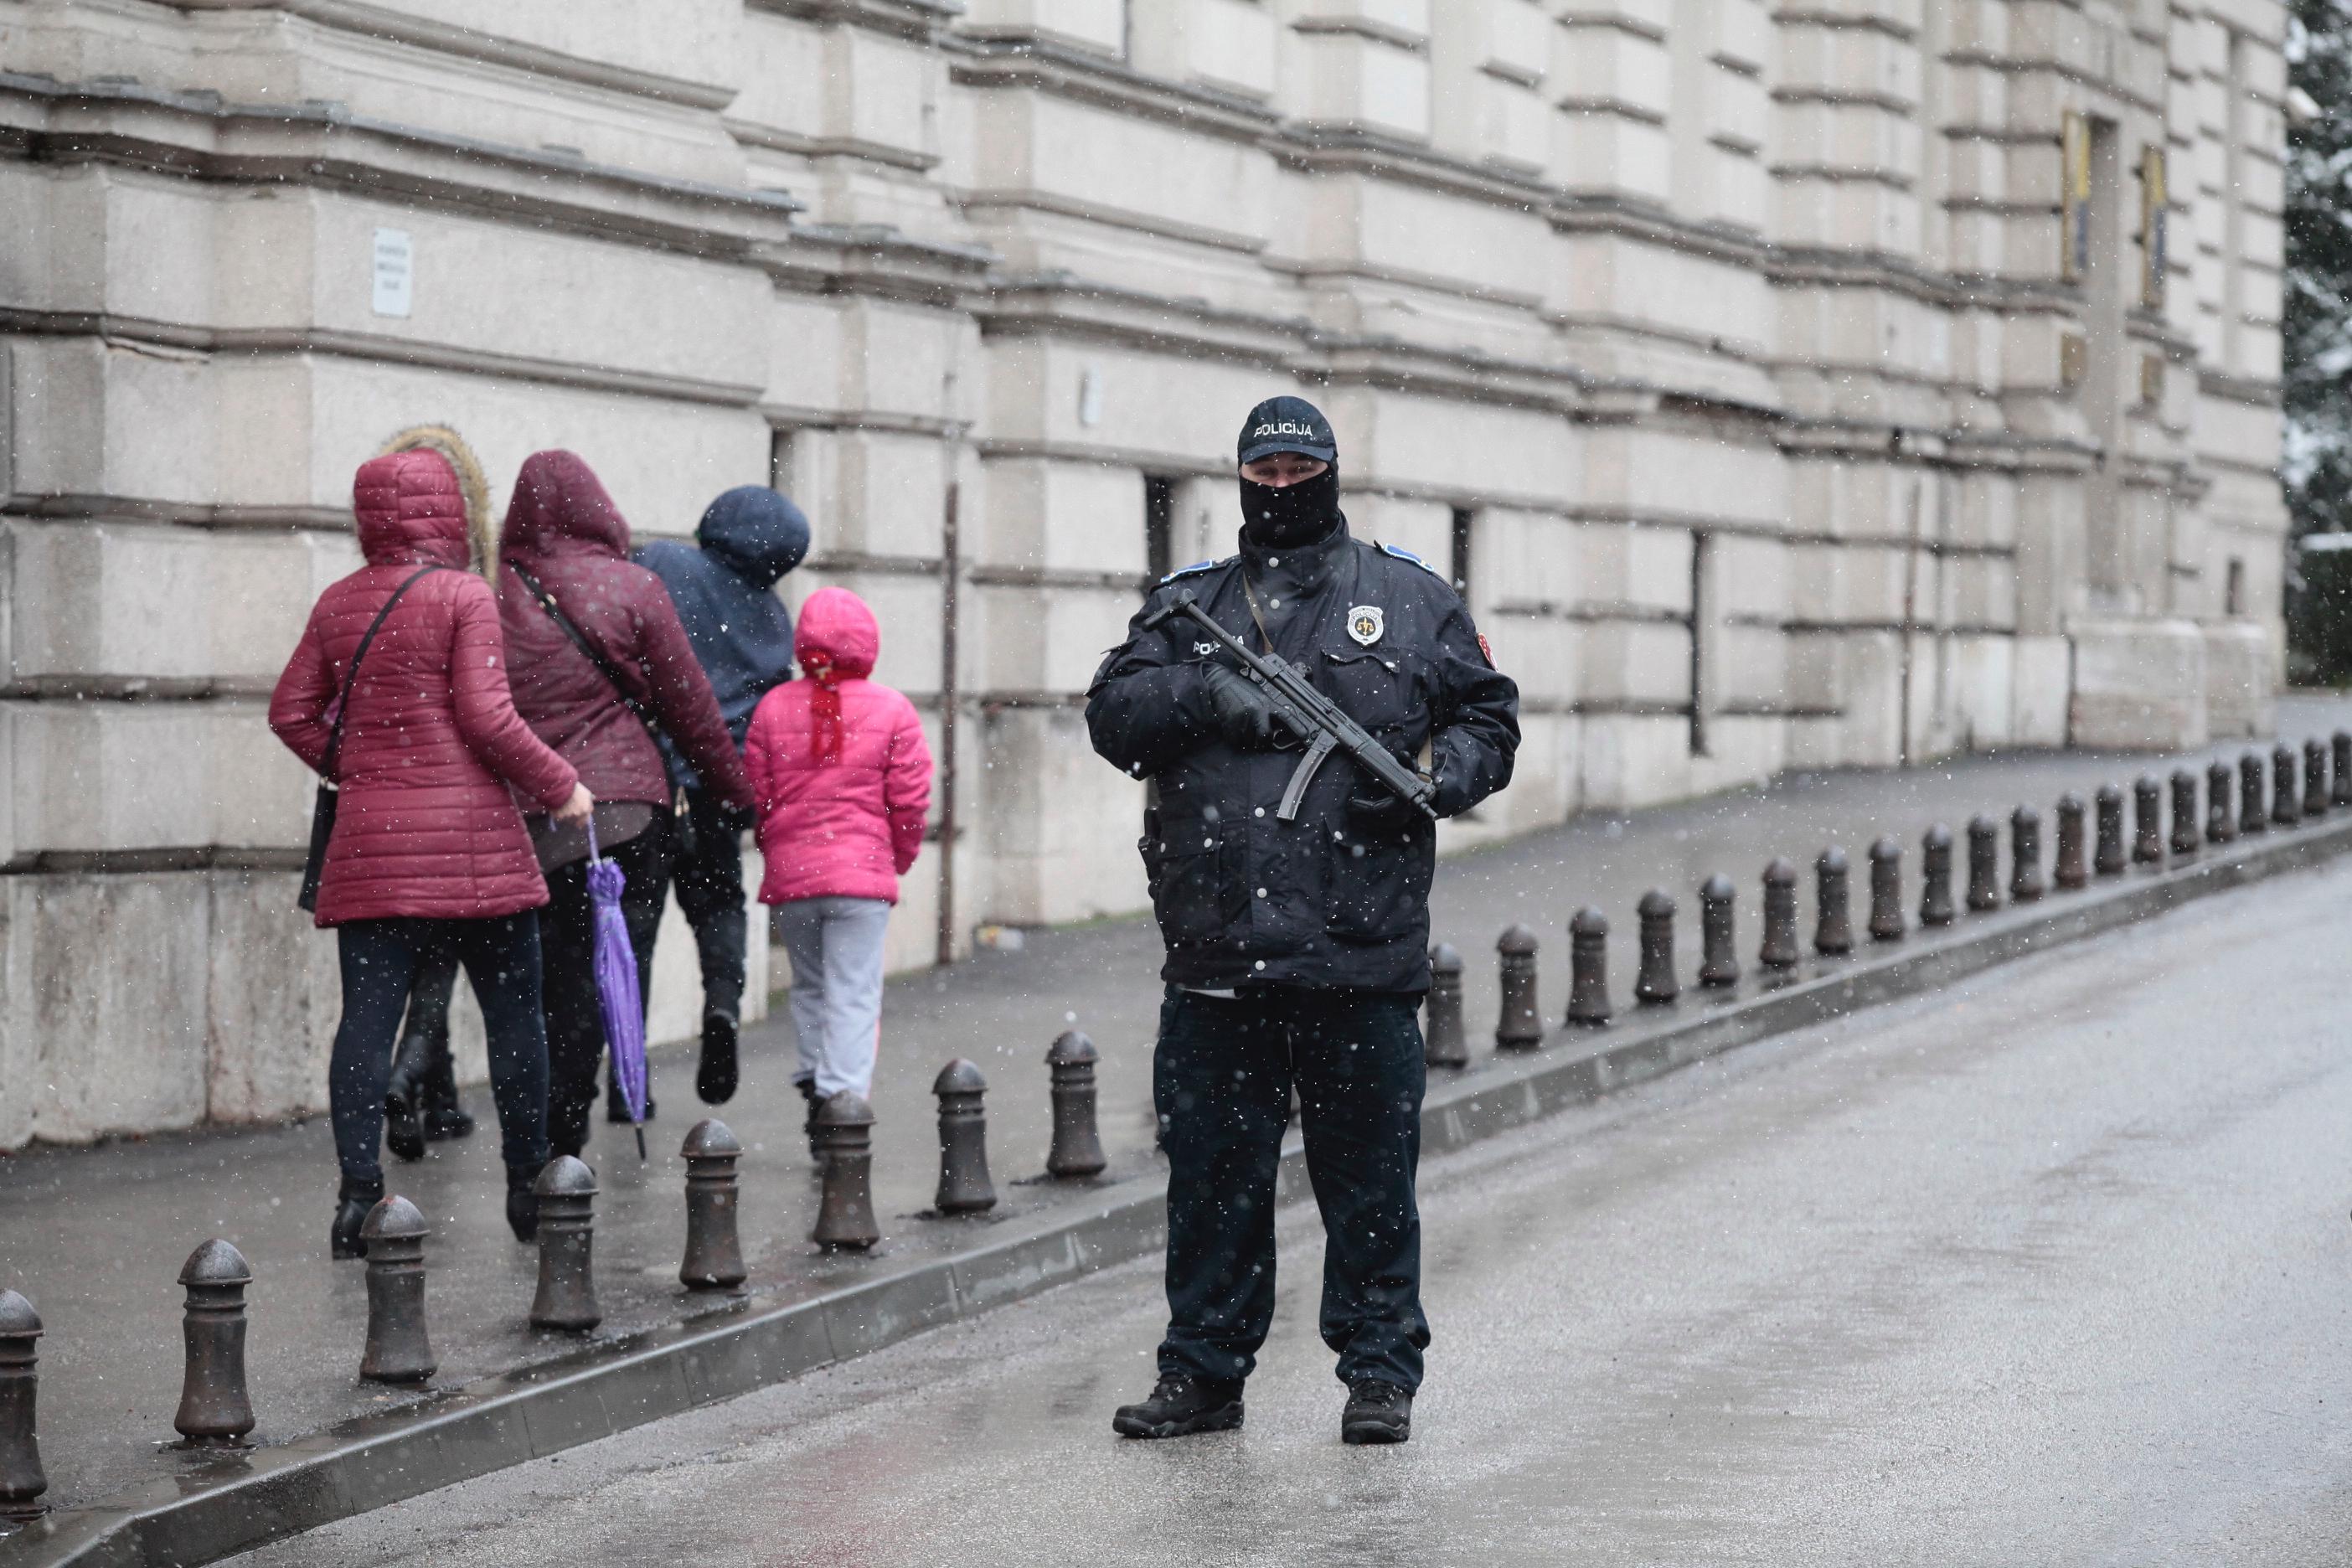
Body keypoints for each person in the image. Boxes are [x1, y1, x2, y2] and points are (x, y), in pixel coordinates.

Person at [1085, 395, 1519, 1445]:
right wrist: (1204, 698)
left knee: (1369, 1188)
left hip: (1357, 949)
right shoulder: (1192, 605)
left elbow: (1488, 720)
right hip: (1219, 952)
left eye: (1297, 470)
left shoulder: (1409, 599)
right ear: (1241, 478)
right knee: (1212, 1186)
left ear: (1330, 473)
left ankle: (1378, 1372)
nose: (1280, 489)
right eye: (1263, 472)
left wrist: (1430, 780)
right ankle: (1203, 1372)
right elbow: (1112, 714)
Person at [269, 428, 594, 1259]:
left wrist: (365, 767)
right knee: (515, 1015)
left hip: (373, 843)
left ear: (367, 516)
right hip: (474, 846)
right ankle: (527, 1185)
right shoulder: (463, 596)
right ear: (449, 510)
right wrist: (560, 785)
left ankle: (356, 1200)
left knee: (365, 1026)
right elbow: (488, 720)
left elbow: (290, 713)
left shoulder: (338, 602)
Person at [497, 451, 756, 1159]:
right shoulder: (636, 588)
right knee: (610, 964)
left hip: (528, 818)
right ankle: (590, 1119)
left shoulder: (492, 592)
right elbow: (691, 710)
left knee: (537, 987)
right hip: (626, 815)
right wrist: (736, 794)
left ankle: (541, 1146)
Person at [633, 486, 811, 1104]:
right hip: (719, 787)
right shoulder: (771, 618)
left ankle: (630, 1077)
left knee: (638, 930)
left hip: (650, 784)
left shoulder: (663, 564)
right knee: (720, 907)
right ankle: (723, 1011)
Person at [742, 587, 931, 1139]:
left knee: (809, 986)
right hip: (862, 880)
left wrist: (778, 849)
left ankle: (811, 1078)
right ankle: (840, 1104)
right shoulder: (893, 709)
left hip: (794, 879)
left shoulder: (773, 707)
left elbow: (760, 793)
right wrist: (899, 855)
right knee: (854, 991)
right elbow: (910, 799)